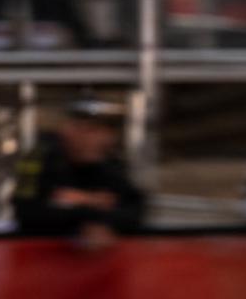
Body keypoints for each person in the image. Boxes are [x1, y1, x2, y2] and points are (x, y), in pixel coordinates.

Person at [12, 97, 146, 247]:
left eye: (106, 132)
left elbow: (134, 211)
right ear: (69, 130)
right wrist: (90, 205)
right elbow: (27, 213)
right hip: (40, 254)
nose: (103, 140)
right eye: (91, 131)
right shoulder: (38, 160)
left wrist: (86, 206)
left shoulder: (111, 164)